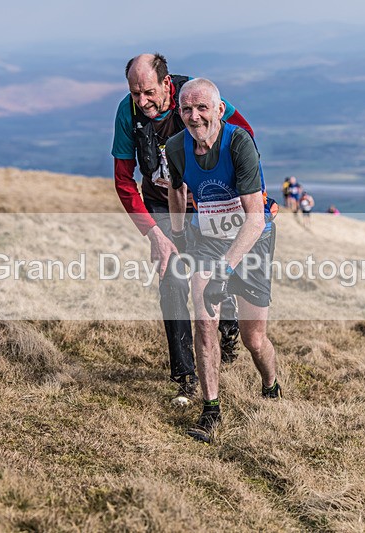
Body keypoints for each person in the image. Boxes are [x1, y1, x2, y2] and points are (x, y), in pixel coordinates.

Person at [111, 53, 251, 404]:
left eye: (148, 92)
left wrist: (250, 190)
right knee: (172, 282)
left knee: (217, 275)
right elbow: (123, 181)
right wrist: (155, 235)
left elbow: (245, 134)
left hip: (207, 204)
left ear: (166, 82)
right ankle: (185, 376)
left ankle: (229, 328)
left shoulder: (194, 96)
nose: (141, 101)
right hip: (161, 205)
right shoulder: (127, 113)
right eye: (134, 93)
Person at [167, 78, 281, 444]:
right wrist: (179, 233)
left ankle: (270, 385)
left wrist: (225, 269)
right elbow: (176, 188)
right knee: (204, 322)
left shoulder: (238, 143)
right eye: (187, 109)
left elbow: (255, 218)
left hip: (252, 242)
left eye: (203, 108)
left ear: (219, 109)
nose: (194, 116)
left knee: (253, 338)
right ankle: (211, 408)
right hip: (208, 242)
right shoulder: (176, 147)